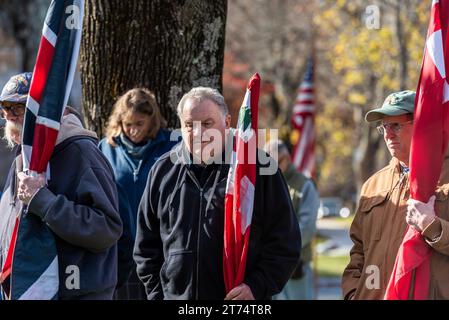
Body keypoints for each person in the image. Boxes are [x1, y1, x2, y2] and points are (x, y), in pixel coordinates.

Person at [133, 87, 301, 300]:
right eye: (189, 125)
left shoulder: (258, 169)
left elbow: (286, 243)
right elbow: (145, 248)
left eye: (207, 124)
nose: (198, 133)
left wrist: (256, 286)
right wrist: (158, 295)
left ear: (227, 122)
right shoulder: (162, 171)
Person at [0, 72, 122, 299]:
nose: (8, 115)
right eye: (5, 107)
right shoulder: (23, 158)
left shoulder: (82, 153)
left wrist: (43, 201)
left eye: (18, 106)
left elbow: (107, 228)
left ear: (47, 109)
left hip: (78, 292)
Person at [342, 90, 449, 299]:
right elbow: (358, 251)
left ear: (420, 125)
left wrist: (433, 227)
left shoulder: (445, 176)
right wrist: (353, 293)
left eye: (396, 125)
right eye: (384, 126)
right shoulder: (373, 185)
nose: (388, 134)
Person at [99, 88, 179, 299]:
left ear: (151, 121)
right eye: (128, 125)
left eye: (139, 124)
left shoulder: (172, 147)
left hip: (161, 252)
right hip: (121, 254)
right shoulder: (105, 149)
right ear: (119, 122)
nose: (133, 131)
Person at [264, 140, 319, 300]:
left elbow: (307, 229)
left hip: (296, 266)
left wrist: (282, 248)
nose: (270, 166)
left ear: (286, 158)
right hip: (270, 265)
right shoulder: (267, 184)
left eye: (275, 162)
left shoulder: (305, 185)